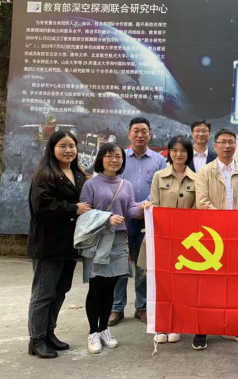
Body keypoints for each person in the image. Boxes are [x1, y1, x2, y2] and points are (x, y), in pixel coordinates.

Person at [27, 131, 91, 359]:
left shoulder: (78, 174)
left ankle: (49, 333)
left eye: (72, 145)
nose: (68, 150)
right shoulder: (45, 175)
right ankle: (36, 339)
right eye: (62, 146)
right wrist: (73, 208)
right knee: (43, 293)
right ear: (52, 148)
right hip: (48, 244)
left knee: (60, 291)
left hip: (69, 244)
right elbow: (42, 207)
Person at [194, 127, 238, 350]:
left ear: (235, 145)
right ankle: (202, 329)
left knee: (236, 282)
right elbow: (202, 202)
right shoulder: (205, 172)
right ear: (215, 146)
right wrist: (223, 223)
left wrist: (235, 222)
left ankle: (234, 326)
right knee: (209, 284)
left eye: (231, 142)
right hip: (212, 236)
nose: (227, 146)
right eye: (223, 142)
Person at [80, 142, 143, 354]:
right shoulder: (91, 184)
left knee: (110, 288)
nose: (114, 160)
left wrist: (143, 208)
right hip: (98, 241)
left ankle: (104, 328)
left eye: (118, 156)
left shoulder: (125, 184)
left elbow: (129, 210)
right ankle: (93, 332)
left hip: (118, 241)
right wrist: (108, 219)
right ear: (101, 158)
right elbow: (85, 213)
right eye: (109, 156)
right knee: (96, 287)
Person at [138, 135, 197, 345]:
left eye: (183, 150)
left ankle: (176, 324)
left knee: (180, 284)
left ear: (188, 154)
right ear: (169, 153)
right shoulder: (159, 176)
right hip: (161, 239)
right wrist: (148, 207)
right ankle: (161, 325)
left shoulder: (197, 179)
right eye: (174, 150)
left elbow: (196, 211)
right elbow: (154, 203)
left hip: (185, 241)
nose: (178, 154)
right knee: (160, 283)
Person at [109, 118, 166, 327]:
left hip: (147, 219)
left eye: (144, 131)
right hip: (122, 219)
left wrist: (143, 206)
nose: (140, 135)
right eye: (136, 131)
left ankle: (142, 307)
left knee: (144, 264)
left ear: (150, 134)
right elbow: (111, 183)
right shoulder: (119, 157)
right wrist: (129, 207)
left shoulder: (159, 160)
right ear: (129, 134)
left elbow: (161, 188)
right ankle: (117, 307)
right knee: (120, 263)